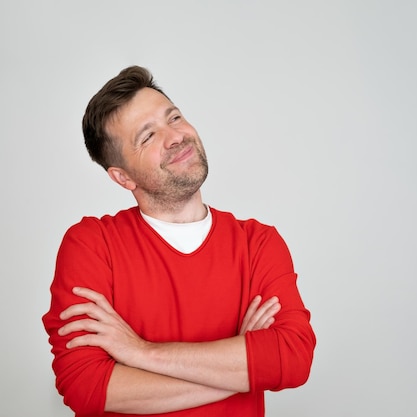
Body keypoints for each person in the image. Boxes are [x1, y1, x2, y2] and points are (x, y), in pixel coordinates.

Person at [42, 66, 316, 417]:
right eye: (147, 136)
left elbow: (292, 358)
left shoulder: (258, 243)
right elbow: (86, 387)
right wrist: (244, 366)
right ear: (122, 177)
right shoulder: (92, 245)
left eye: (174, 117)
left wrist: (141, 352)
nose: (174, 136)